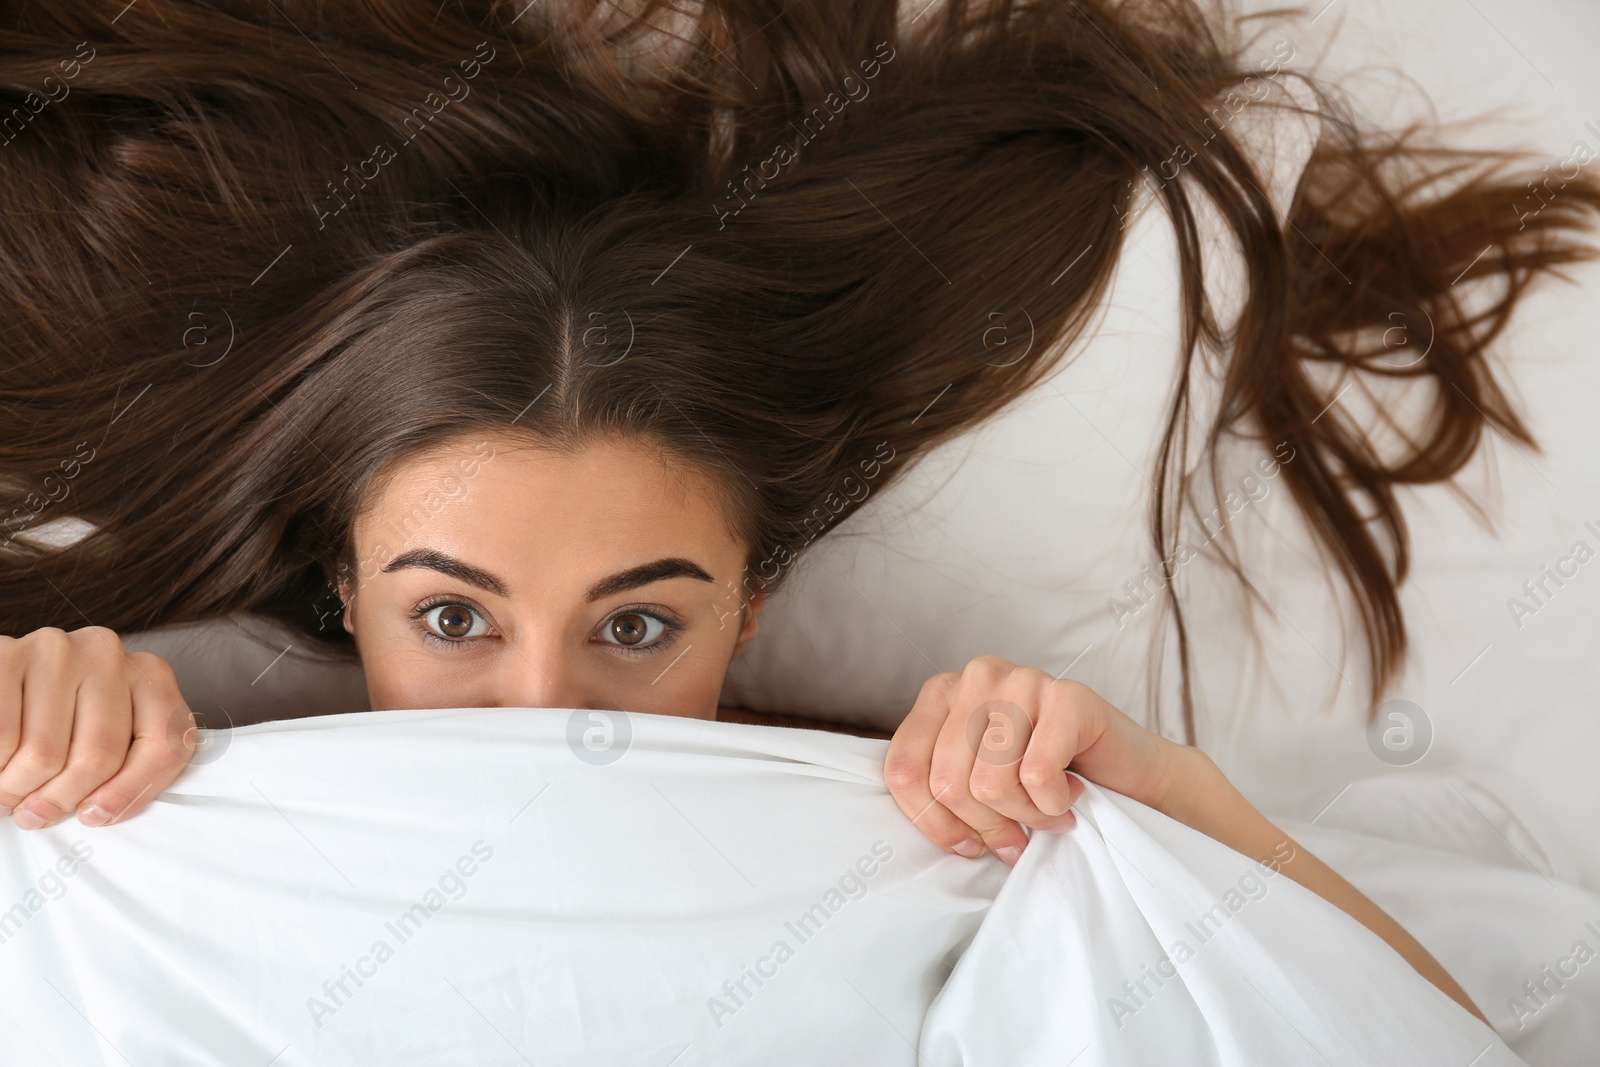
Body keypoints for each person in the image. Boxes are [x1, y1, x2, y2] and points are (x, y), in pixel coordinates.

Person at [4, 0, 1598, 1028]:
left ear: (750, 605)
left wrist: (1157, 786)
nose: (547, 711)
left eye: (638, 626)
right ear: (343, 595)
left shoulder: (930, 812)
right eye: (451, 617)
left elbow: (1406, 1037)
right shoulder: (174, 792)